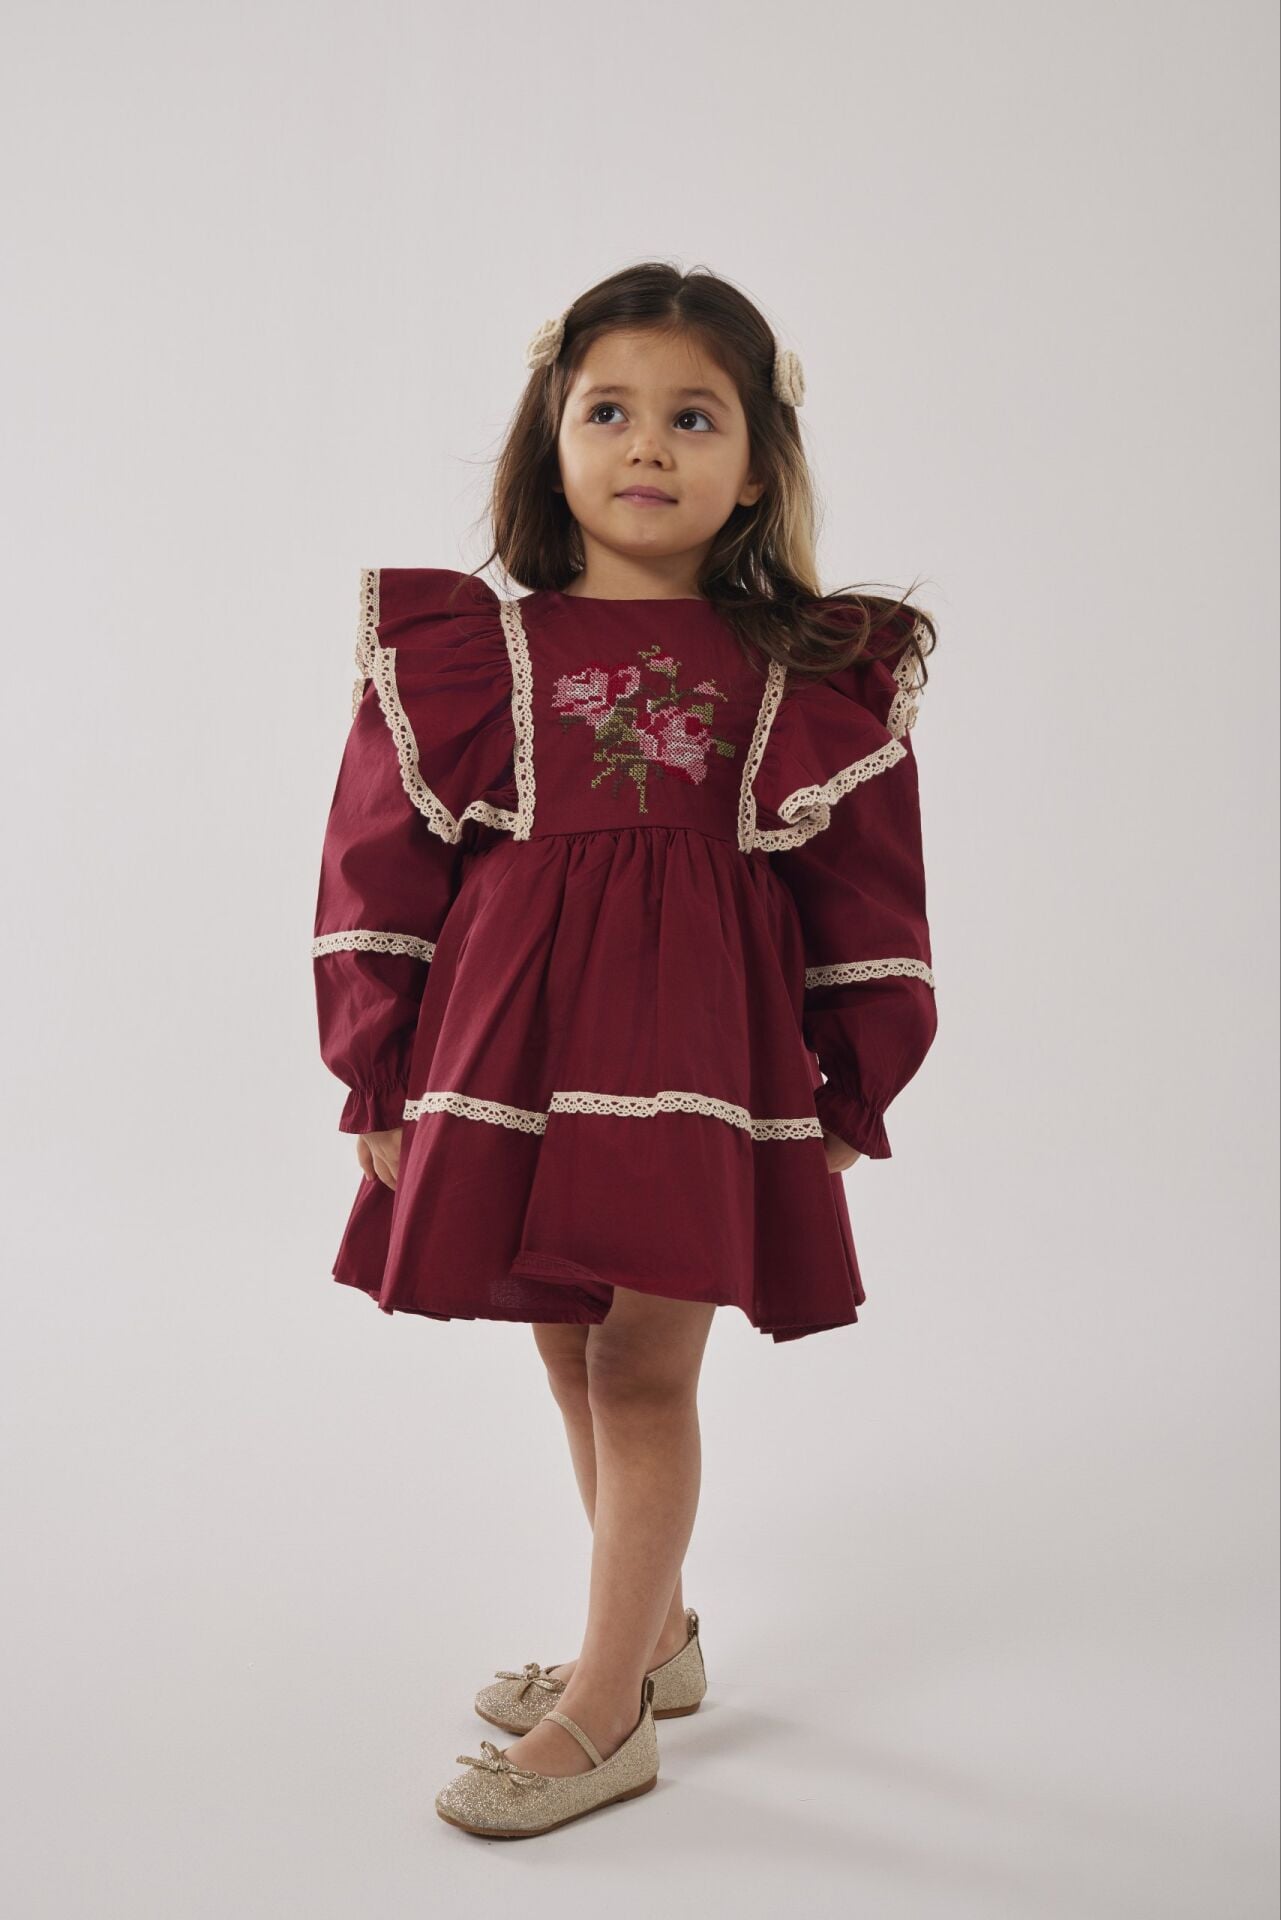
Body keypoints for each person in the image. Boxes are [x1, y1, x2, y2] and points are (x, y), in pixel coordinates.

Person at [310, 261, 939, 1839]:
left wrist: (851, 1078)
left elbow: (864, 888)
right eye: (608, 411)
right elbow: (379, 864)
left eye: (692, 417)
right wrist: (376, 1066)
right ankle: (650, 1637)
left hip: (697, 1060)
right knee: (563, 1338)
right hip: (510, 1047)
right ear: (551, 437)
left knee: (643, 1367)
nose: (646, 445)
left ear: (757, 464)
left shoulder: (806, 670)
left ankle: (606, 1714)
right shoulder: (470, 653)